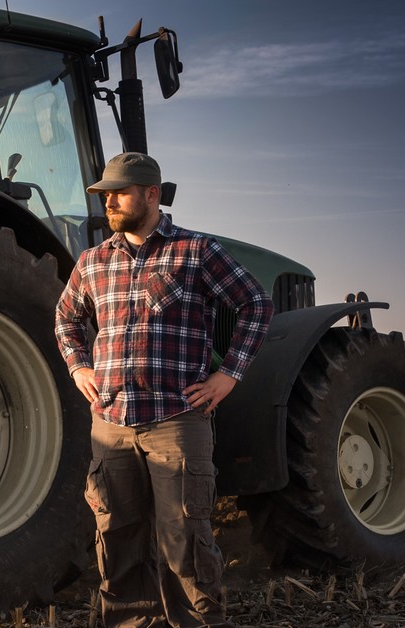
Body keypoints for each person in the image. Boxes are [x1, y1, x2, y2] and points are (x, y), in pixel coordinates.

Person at [54, 152, 272, 627]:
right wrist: (79, 368)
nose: (109, 201)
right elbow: (66, 317)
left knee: (186, 542)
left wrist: (228, 375)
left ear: (151, 194)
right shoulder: (93, 261)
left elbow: (255, 303)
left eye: (119, 193)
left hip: (176, 420)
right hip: (111, 425)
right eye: (105, 194)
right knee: (118, 541)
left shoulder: (196, 251)